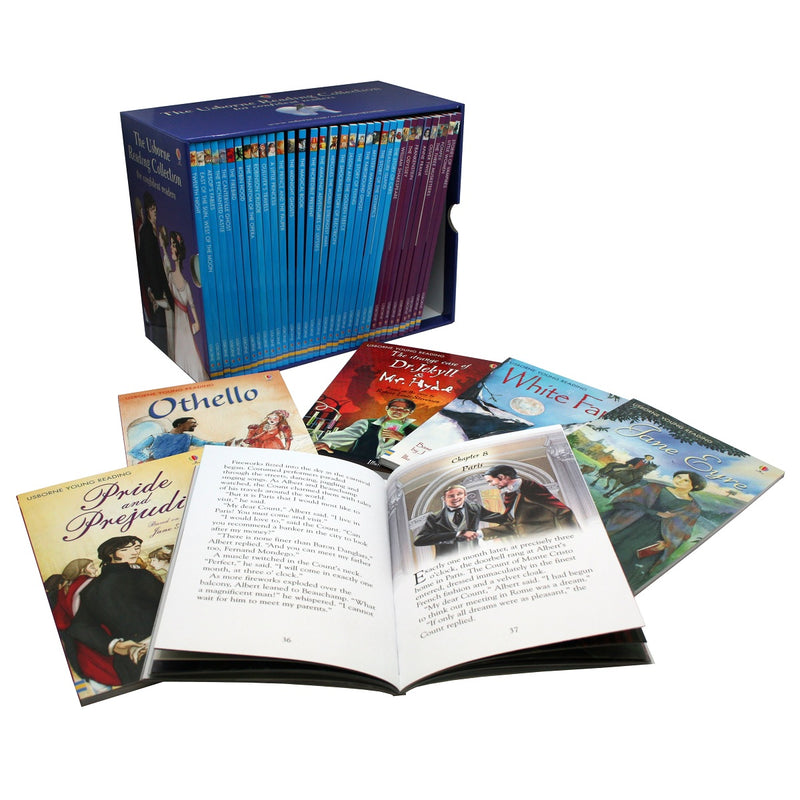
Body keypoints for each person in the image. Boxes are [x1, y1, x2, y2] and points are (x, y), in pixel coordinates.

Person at [68, 536, 165, 686]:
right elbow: (171, 607)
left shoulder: (91, 589)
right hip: (158, 648)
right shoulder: (142, 577)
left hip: (128, 660)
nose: (134, 552)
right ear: (111, 554)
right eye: (125, 549)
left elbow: (81, 627)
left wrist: (115, 645)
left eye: (137, 548)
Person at [602, 471, 706, 590]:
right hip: (631, 524)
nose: (679, 481)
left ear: (695, 486)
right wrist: (654, 512)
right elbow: (625, 501)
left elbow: (683, 531)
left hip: (655, 537)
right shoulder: (653, 488)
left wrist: (667, 543)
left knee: (631, 565)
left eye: (686, 480)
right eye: (678, 477)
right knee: (611, 551)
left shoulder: (693, 508)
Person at [158, 229, 209, 380]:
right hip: (178, 326)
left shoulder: (186, 285)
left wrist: (196, 323)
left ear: (179, 251)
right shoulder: (170, 276)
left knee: (191, 358)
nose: (172, 248)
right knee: (179, 357)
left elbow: (192, 306)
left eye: (174, 245)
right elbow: (166, 265)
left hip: (185, 326)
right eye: (171, 245)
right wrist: (163, 247)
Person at [414, 484, 505, 559]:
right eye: (451, 496)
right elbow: (420, 540)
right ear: (445, 499)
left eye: (459, 494)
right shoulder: (434, 517)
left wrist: (487, 533)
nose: (455, 498)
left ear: (465, 496)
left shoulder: (475, 509)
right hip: (447, 561)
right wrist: (457, 534)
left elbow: (501, 519)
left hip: (474, 557)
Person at [314, 398, 417, 464]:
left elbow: (420, 450)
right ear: (387, 408)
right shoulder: (366, 423)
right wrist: (326, 442)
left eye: (404, 409)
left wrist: (402, 438)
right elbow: (345, 435)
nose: (398, 411)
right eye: (394, 407)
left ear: (410, 412)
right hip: (358, 465)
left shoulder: (415, 430)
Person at [483, 465, 575, 535]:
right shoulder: (508, 495)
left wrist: (571, 535)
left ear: (501, 476)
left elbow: (563, 511)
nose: (490, 485)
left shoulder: (531, 487)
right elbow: (514, 523)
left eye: (491, 481)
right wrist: (481, 533)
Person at [137, 193, 173, 353]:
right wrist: (150, 290)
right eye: (152, 209)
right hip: (156, 292)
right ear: (147, 211)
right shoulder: (145, 232)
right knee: (160, 332)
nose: (155, 211)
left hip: (161, 288)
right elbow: (147, 264)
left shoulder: (154, 230)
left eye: (155, 208)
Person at [128, 417, 231, 462]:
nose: (196, 424)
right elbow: (134, 451)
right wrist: (146, 459)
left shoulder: (188, 438)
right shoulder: (156, 437)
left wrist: (225, 444)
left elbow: (205, 443)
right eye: (192, 422)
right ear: (180, 424)